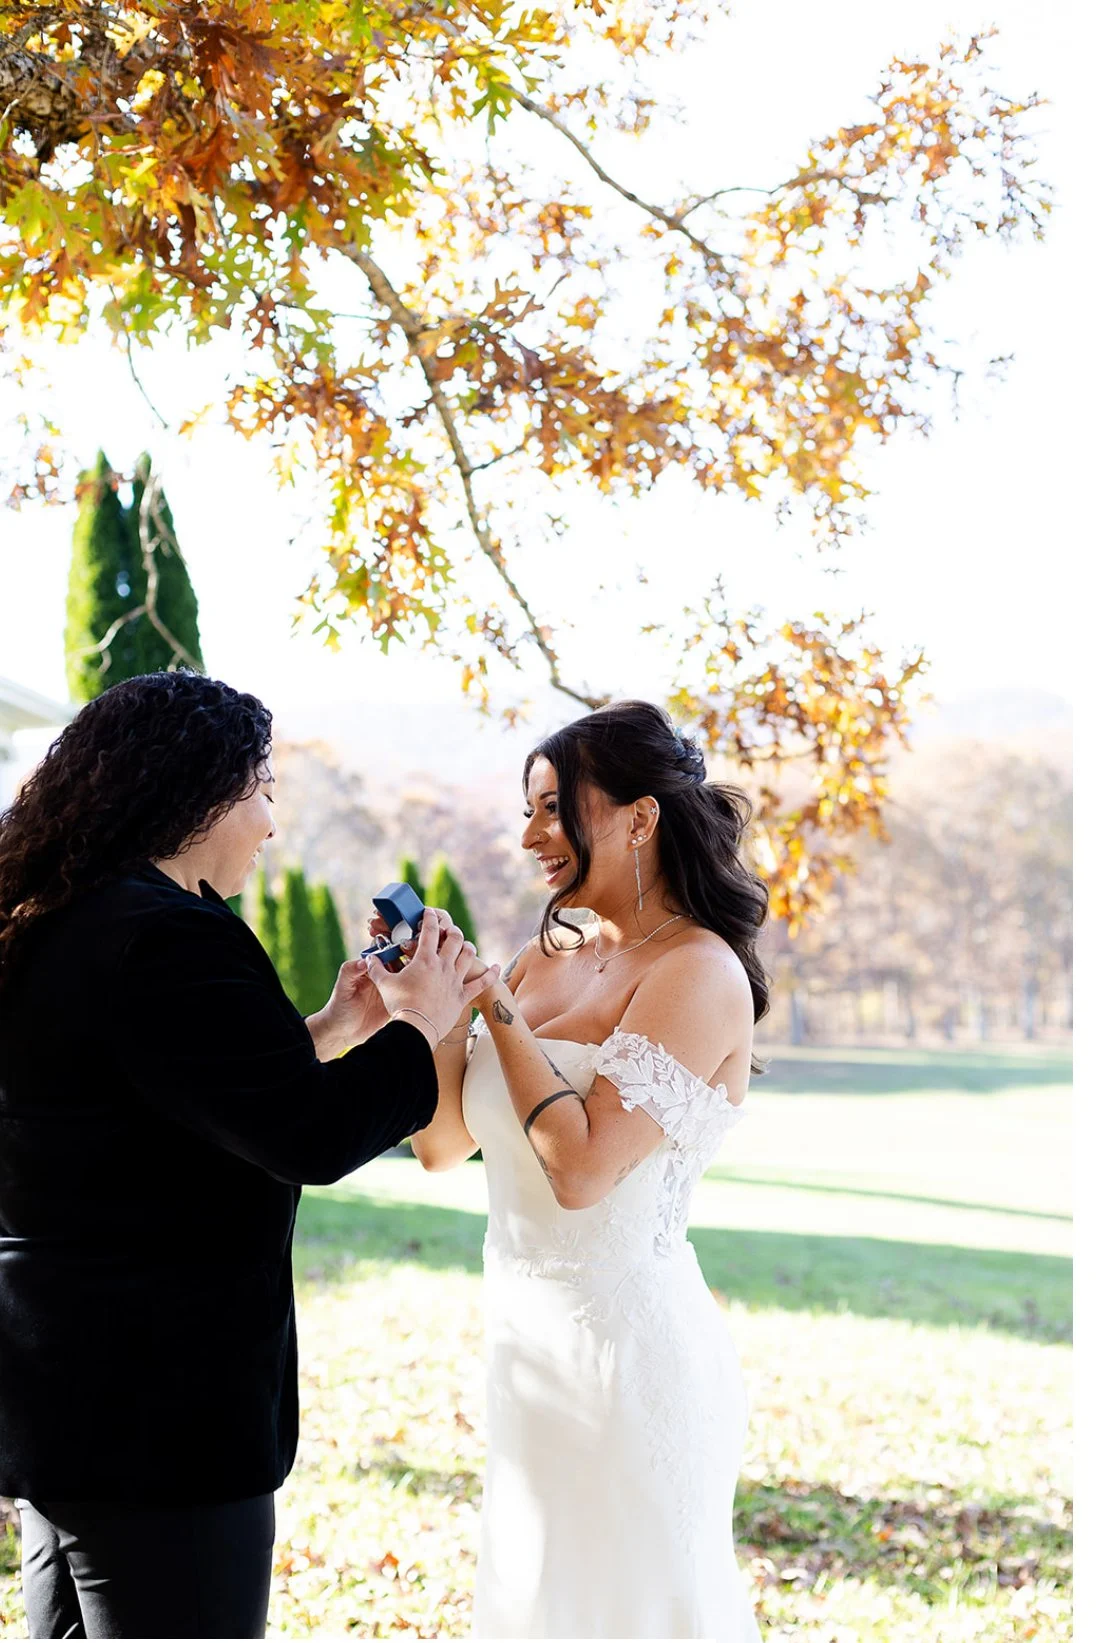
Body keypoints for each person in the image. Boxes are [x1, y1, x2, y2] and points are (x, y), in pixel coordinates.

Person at [0, 671, 492, 1641]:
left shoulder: (60, 916)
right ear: (200, 791)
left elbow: (173, 1100)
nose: (270, 822)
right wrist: (422, 1020)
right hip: (162, 1415)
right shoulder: (173, 938)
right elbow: (309, 1136)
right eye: (264, 787)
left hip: (58, 1392)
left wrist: (332, 1028)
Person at [369, 699, 768, 1640]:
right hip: (525, 1351)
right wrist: (427, 1012)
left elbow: (582, 1166)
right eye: (526, 810)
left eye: (554, 808)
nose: (529, 835)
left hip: (633, 1362)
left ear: (639, 816)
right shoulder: (545, 963)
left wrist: (495, 1005)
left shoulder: (698, 973)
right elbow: (438, 1146)